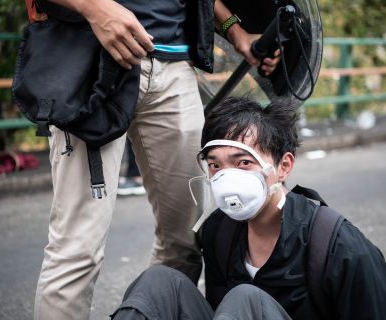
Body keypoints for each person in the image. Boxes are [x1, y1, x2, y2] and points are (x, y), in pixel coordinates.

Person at [33, 0, 281, 319]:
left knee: (184, 242)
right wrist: (95, 8)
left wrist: (235, 30)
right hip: (90, 53)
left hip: (174, 65)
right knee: (77, 249)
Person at [111, 97, 386, 320]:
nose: (226, 177)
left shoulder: (339, 246)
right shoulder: (218, 231)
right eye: (215, 165)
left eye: (243, 163)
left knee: (247, 299)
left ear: (283, 166)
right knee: (159, 281)